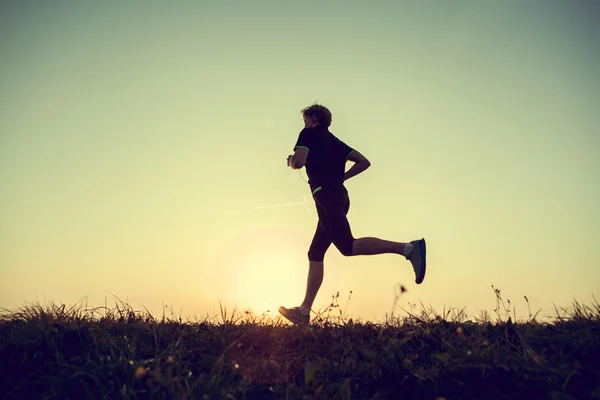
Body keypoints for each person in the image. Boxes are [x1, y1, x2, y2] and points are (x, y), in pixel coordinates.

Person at [278, 104, 427, 325]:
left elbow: (299, 162)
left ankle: (408, 248)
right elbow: (364, 162)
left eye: (306, 119)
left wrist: (291, 160)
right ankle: (303, 311)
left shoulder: (308, 134)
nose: (304, 123)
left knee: (348, 247)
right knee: (315, 252)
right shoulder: (336, 142)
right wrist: (342, 178)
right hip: (340, 196)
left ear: (314, 119)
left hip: (326, 197)